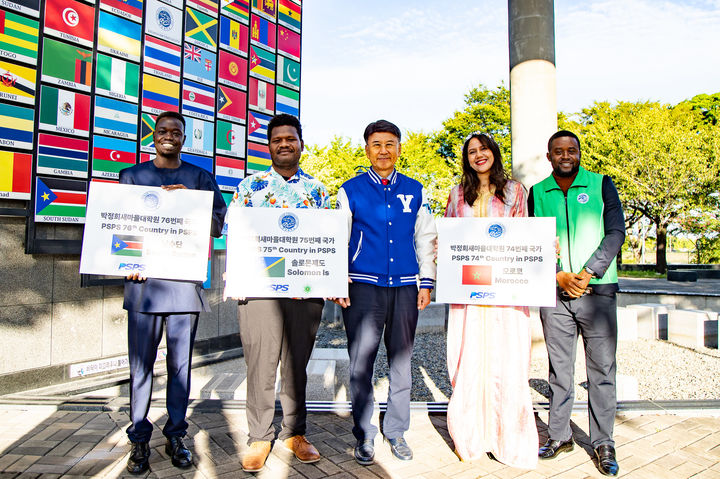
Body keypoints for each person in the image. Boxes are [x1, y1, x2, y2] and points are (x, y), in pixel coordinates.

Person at [119, 111, 227, 474]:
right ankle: (138, 440)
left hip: (182, 287)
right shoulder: (131, 177)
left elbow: (216, 227)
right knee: (140, 369)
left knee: (179, 368)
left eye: (176, 132)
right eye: (162, 131)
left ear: (184, 138)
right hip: (143, 287)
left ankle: (176, 434)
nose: (169, 136)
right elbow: (119, 226)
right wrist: (124, 260)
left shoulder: (200, 178)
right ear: (154, 136)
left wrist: (190, 203)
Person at [228, 114, 330, 473]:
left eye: (291, 138)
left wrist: (317, 281)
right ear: (268, 145)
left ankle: (294, 433)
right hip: (259, 292)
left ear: (301, 143)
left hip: (304, 293)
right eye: (277, 140)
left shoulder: (318, 191)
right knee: (260, 365)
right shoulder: (249, 188)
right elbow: (235, 238)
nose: (284, 144)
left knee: (296, 366)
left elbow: (324, 244)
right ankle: (259, 436)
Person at [335, 120, 437, 465]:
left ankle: (396, 431)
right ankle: (364, 434)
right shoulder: (350, 190)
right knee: (361, 364)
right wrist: (337, 282)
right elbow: (338, 239)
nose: (383, 150)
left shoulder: (416, 189)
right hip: (362, 287)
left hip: (406, 287)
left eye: (390, 144)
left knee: (401, 362)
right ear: (367, 149)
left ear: (398, 148)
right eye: (376, 144)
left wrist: (427, 281)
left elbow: (425, 239)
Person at [529, 130, 625, 477]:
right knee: (560, 369)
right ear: (549, 155)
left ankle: (603, 442)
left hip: (598, 292)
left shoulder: (601, 184)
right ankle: (559, 435)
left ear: (580, 153)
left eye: (571, 150)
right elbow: (532, 240)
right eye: (558, 151)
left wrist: (587, 272)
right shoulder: (537, 192)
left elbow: (615, 232)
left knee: (601, 371)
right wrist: (557, 275)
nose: (565, 155)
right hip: (554, 293)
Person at [443, 132, 538, 469]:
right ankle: (469, 437)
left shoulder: (515, 191)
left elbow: (525, 237)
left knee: (507, 358)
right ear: (466, 158)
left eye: (484, 149)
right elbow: (450, 239)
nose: (478, 155)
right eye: (472, 151)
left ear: (494, 153)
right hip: (468, 294)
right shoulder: (457, 194)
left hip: (505, 291)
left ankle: (508, 439)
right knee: (467, 357)